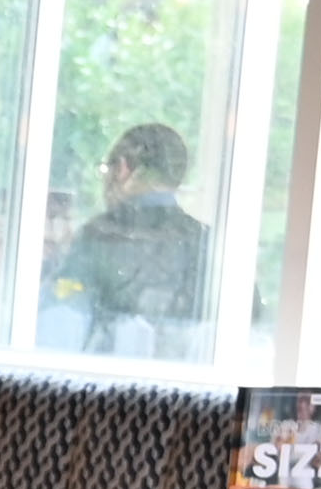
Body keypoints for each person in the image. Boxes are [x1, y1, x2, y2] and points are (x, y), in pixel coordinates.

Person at [45, 120, 212, 356]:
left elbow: (58, 327)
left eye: (106, 170)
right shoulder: (206, 242)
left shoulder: (98, 236)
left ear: (122, 169)